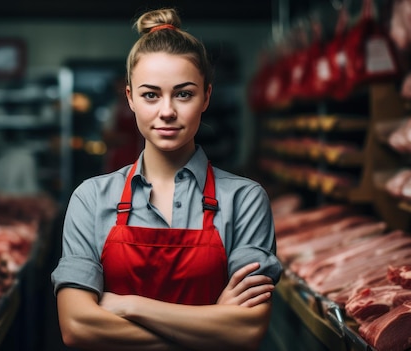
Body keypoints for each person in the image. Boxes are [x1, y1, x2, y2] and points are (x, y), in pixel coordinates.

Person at [51, 8, 282, 351]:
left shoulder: (245, 199)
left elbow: (246, 332)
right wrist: (211, 323)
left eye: (184, 93)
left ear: (206, 96)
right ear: (130, 98)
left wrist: (128, 305)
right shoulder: (91, 198)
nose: (167, 111)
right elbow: (76, 327)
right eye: (150, 94)